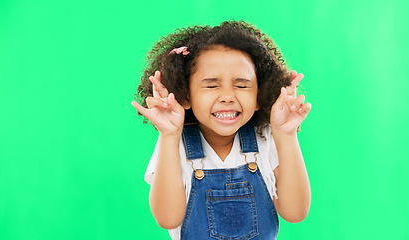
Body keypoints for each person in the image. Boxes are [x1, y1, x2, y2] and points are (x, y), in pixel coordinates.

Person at [132, 20, 311, 240]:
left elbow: (295, 213)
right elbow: (167, 219)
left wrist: (286, 134)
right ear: (186, 96)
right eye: (212, 85)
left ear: (259, 95)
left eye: (242, 85)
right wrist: (169, 135)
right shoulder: (173, 143)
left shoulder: (266, 137)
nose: (227, 96)